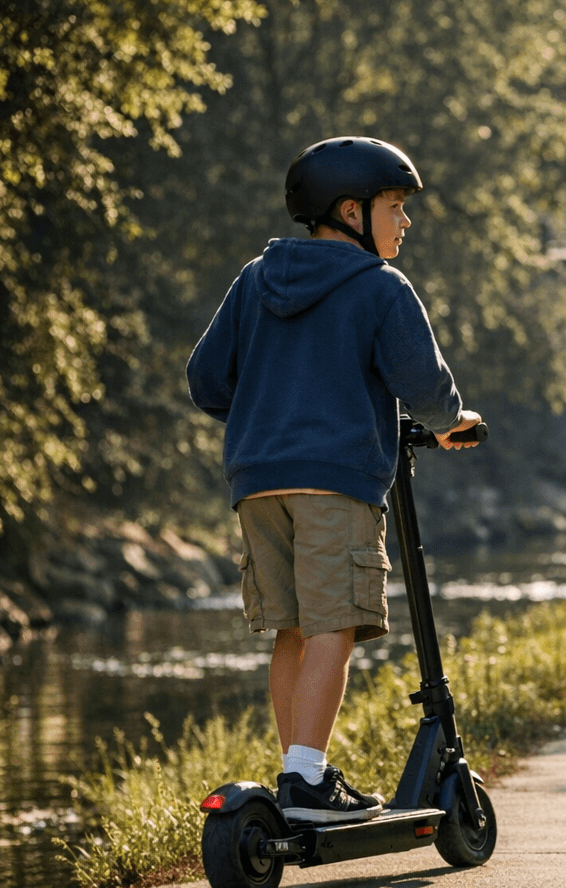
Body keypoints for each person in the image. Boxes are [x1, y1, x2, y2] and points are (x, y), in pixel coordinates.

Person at [187, 136, 482, 825]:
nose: (405, 222)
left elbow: (206, 380)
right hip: (336, 479)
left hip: (257, 479)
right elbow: (424, 387)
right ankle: (308, 782)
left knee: (292, 628)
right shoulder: (379, 286)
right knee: (335, 625)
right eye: (395, 207)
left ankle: (298, 771)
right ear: (351, 211)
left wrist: (270, 413)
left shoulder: (256, 278)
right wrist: (448, 420)